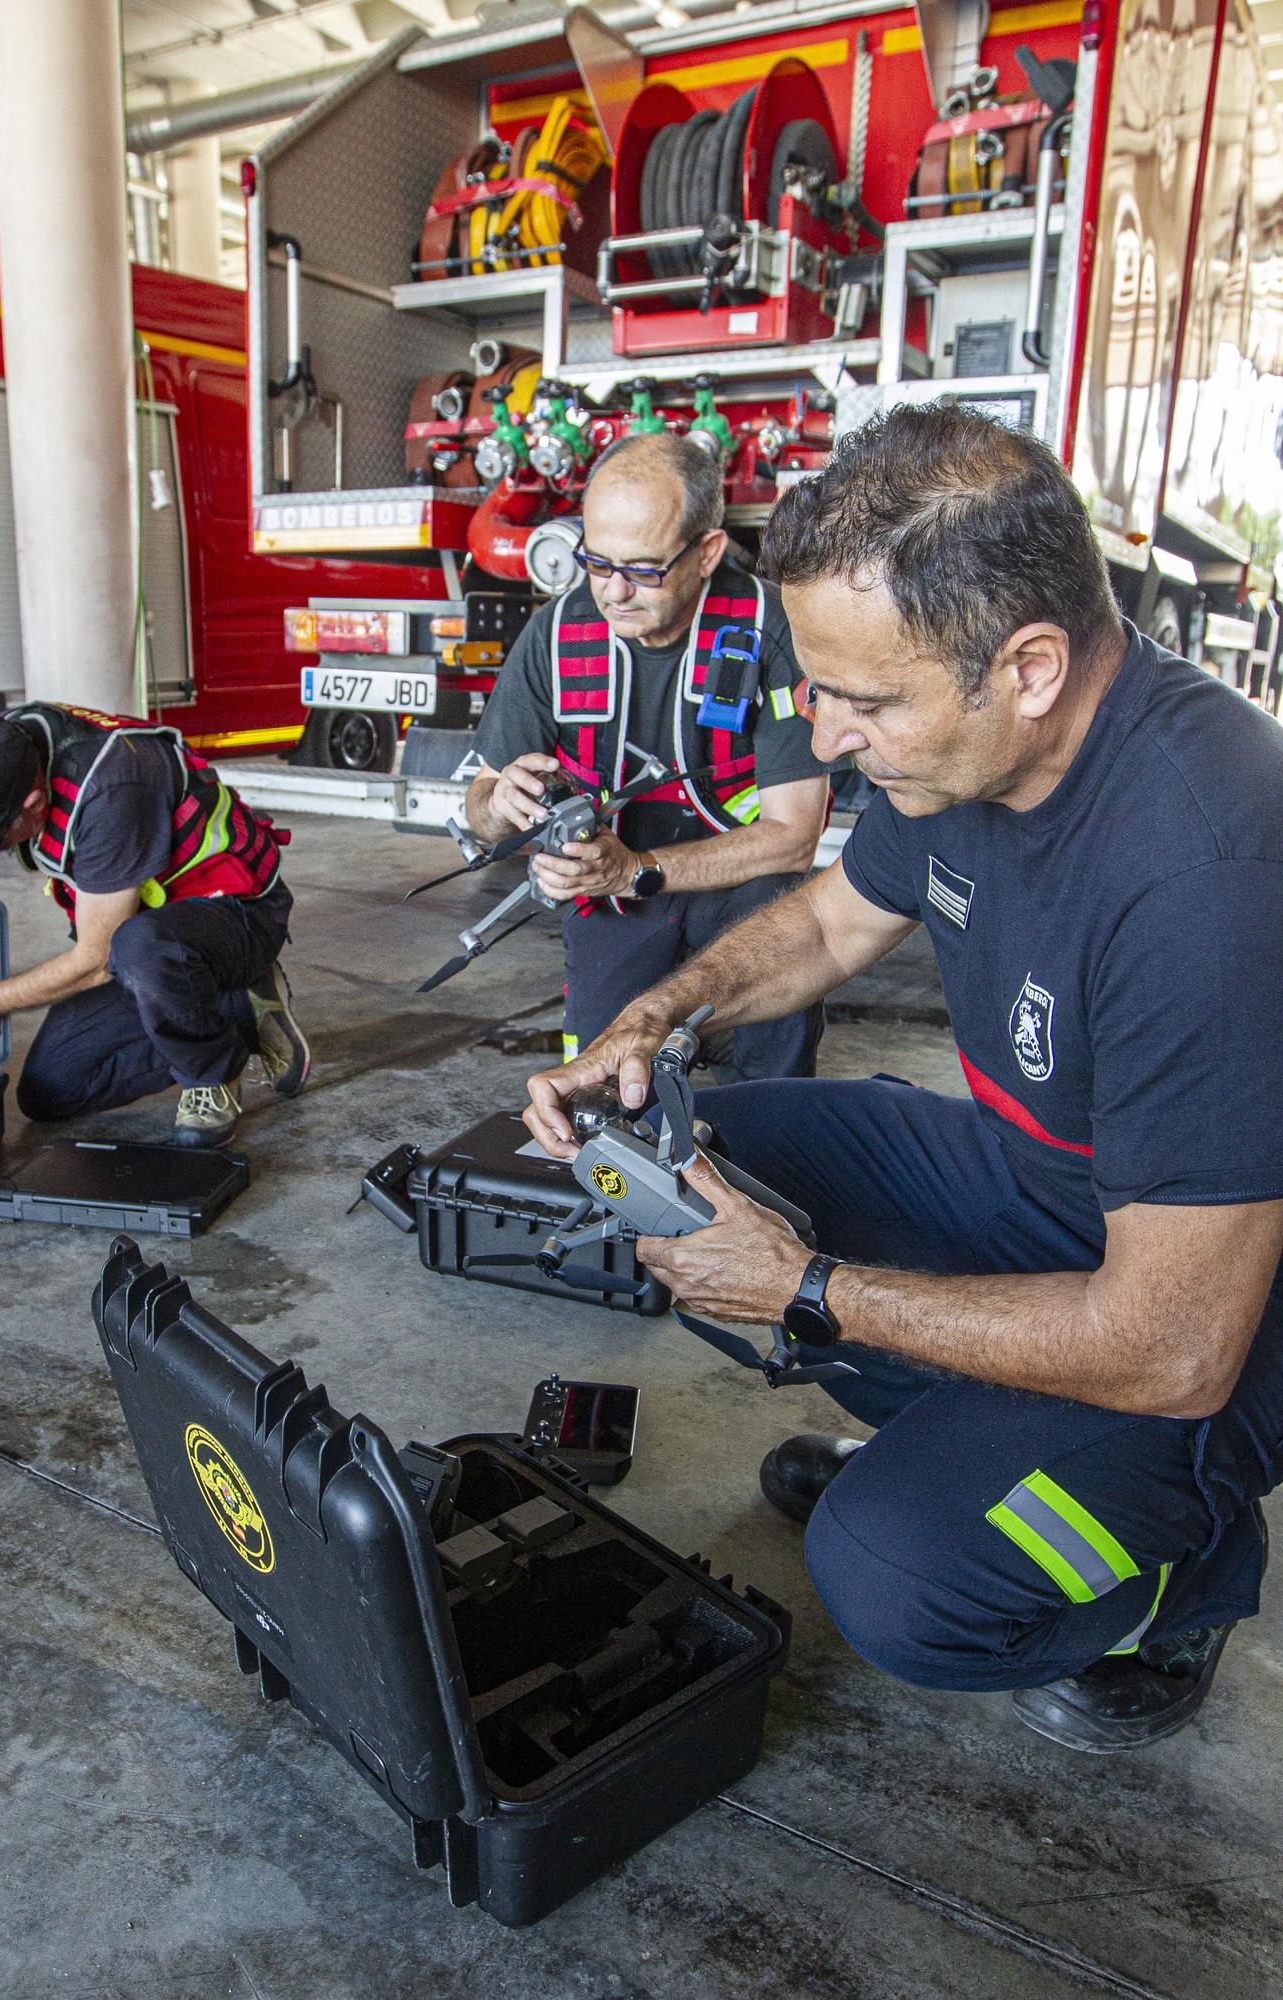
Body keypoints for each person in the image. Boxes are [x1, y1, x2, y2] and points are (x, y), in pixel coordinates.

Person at [522, 402, 1283, 1753]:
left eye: (866, 701)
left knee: (900, 1581)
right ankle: (981, 1435)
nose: (821, 739)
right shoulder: (967, 760)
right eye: (818, 687)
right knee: (698, 1181)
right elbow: (823, 921)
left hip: (1215, 1309)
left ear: (1030, 665)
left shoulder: (1201, 871)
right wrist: (653, 1017)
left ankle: (1182, 1578)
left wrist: (809, 1288)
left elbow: (1171, 1343)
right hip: (1040, 1185)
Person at [466, 431, 830, 1076]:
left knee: (773, 1086)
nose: (614, 592)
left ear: (708, 551)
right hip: (611, 899)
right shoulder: (556, 633)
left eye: (642, 569)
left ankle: (745, 1076)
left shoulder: (773, 628)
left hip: (741, 888)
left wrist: (634, 868)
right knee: (599, 1097)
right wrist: (499, 803)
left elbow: (793, 838)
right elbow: (480, 805)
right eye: (597, 563)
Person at [0, 702, 312, 1147]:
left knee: (137, 946)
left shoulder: (112, 791)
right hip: (148, 942)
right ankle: (231, 1007)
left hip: (236, 914)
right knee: (48, 1093)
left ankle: (209, 1071)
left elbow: (96, 961)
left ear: (34, 806)